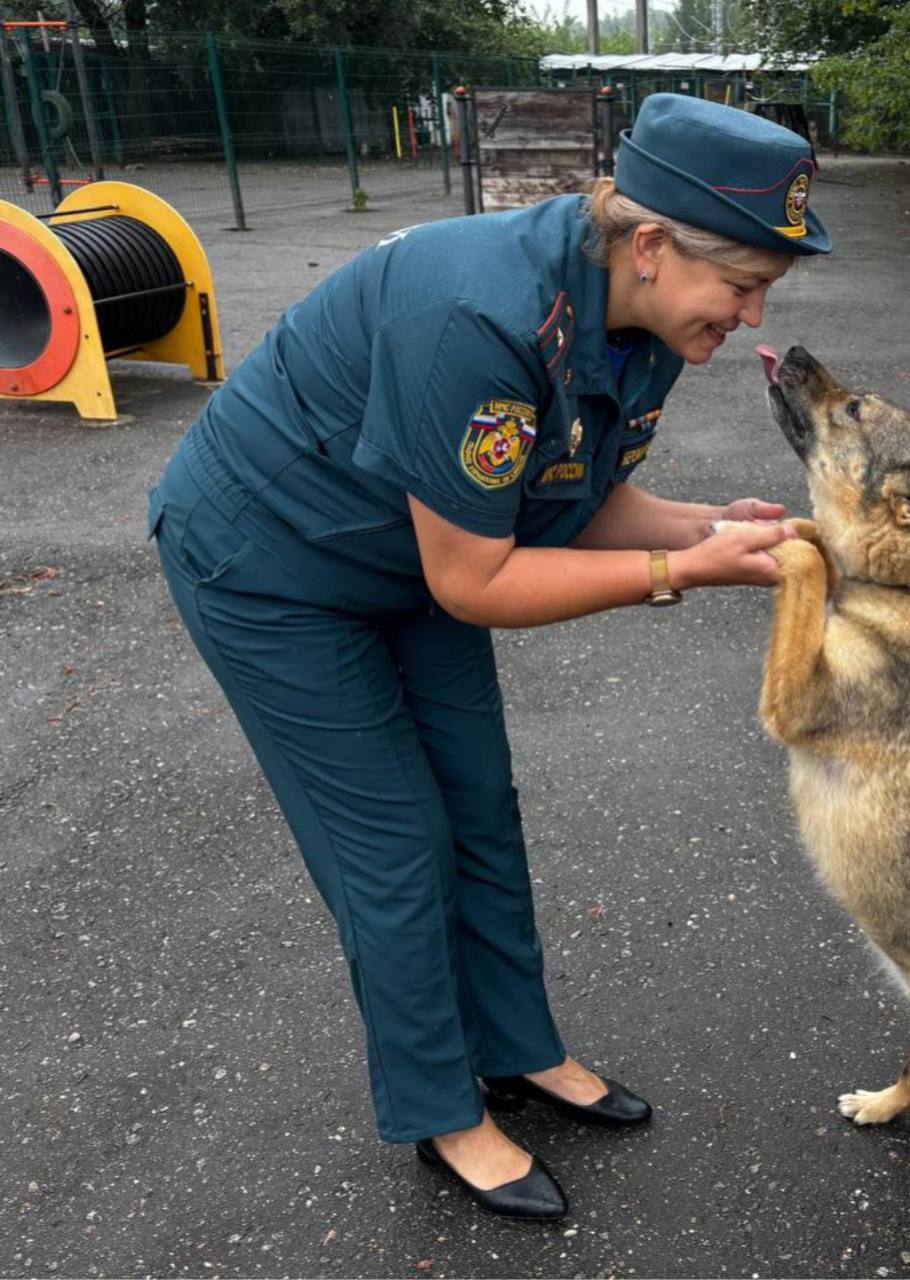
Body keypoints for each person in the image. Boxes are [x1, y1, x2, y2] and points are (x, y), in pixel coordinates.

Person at [148, 92, 832, 1221]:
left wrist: (712, 527)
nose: (753, 316)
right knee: (393, 843)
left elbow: (579, 492)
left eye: (767, 286)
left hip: (416, 543)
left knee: (477, 804)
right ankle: (441, 1109)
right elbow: (478, 579)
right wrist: (685, 573)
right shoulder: (478, 316)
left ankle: (518, 1048)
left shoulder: (645, 318)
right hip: (270, 560)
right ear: (651, 244)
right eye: (742, 283)